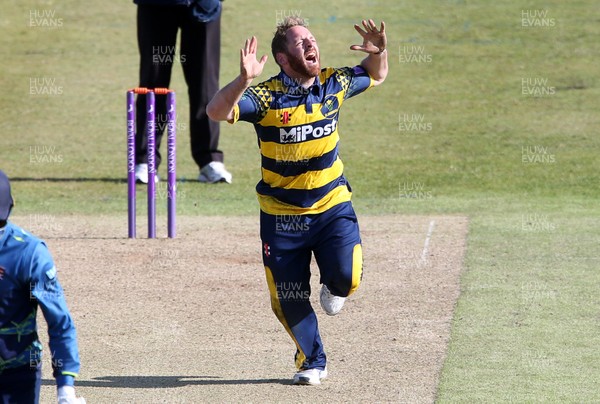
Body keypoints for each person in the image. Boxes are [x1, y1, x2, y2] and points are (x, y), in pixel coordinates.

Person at [207, 17, 387, 385]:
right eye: (300, 43)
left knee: (348, 280)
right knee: (288, 297)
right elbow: (215, 111)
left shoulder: (334, 82)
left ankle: (335, 285)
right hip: (281, 216)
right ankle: (312, 360)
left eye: (312, 39)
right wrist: (243, 80)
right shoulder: (266, 96)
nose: (310, 46)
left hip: (332, 205)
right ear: (283, 58)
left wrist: (380, 52)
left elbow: (377, 74)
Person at [0, 170, 85, 403]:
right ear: (11, 205)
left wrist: (66, 383)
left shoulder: (28, 253)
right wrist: (66, 387)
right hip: (17, 376)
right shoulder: (31, 252)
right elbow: (60, 322)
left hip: (15, 379)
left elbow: (59, 321)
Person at [133, 0, 232, 184]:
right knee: (153, 83)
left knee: (205, 84)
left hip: (204, 5)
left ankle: (209, 159)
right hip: (156, 6)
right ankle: (145, 160)